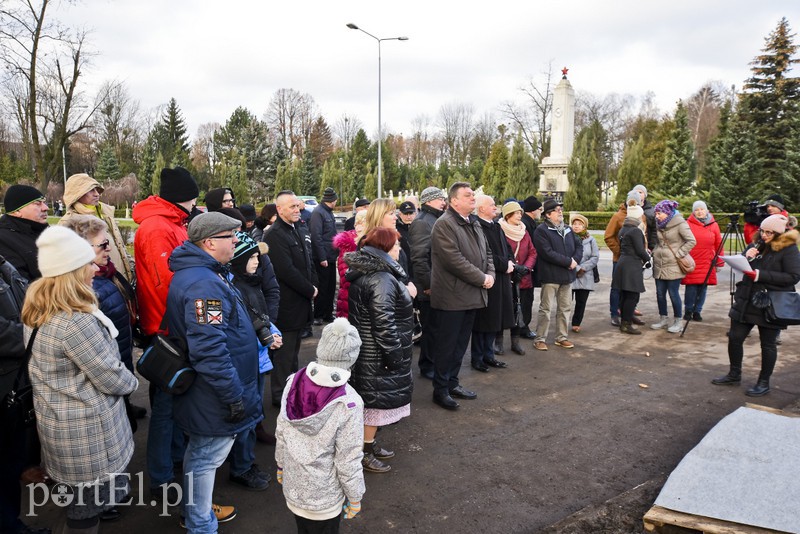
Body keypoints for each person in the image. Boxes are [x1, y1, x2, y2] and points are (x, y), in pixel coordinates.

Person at [22, 226, 137, 534]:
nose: (95, 267)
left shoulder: (38, 310)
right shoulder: (76, 321)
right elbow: (111, 377)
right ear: (70, 272)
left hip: (60, 426)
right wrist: (132, 383)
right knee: (85, 514)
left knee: (80, 504)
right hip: (87, 437)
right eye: (87, 263)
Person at [166, 212, 263, 532]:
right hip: (214, 392)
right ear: (209, 242)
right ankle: (200, 523)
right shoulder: (203, 284)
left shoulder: (207, 274)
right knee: (206, 458)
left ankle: (198, 512)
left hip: (214, 389)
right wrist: (233, 395)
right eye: (230, 236)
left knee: (201, 456)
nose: (237, 241)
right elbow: (209, 350)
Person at [132, 166, 198, 502]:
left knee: (173, 404)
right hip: (167, 327)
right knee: (165, 407)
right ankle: (160, 477)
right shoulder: (158, 227)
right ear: (183, 197)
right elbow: (167, 282)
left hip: (172, 323)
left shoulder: (172, 222)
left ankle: (172, 461)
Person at [275, 318, 365, 531]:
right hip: (325, 497)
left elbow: (282, 431)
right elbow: (348, 457)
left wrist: (280, 465)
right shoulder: (349, 402)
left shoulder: (294, 382)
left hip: (294, 487)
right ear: (352, 357)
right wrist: (355, 496)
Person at [345, 227, 414, 472]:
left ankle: (370, 445)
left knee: (372, 403)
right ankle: (363, 452)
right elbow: (384, 323)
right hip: (377, 354)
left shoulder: (372, 272)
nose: (399, 249)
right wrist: (395, 355)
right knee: (374, 406)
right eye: (396, 245)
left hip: (371, 351)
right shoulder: (381, 278)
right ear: (385, 249)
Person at [60, 215, 141, 414]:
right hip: (106, 386)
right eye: (103, 244)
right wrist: (127, 382)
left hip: (121, 358)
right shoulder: (87, 291)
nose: (109, 248)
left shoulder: (107, 273)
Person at [712, 214, 800, 396]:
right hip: (746, 299)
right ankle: (734, 374)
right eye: (763, 231)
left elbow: (793, 277)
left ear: (779, 233)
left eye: (769, 232)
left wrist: (761, 275)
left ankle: (763, 382)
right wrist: (746, 256)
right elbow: (743, 266)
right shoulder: (756, 244)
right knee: (735, 338)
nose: (765, 235)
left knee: (767, 344)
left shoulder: (789, 249)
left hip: (770, 303)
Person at [429, 182, 493, 410]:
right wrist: (482, 278)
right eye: (468, 196)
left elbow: (487, 252)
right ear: (454, 201)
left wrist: (490, 274)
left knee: (460, 345)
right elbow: (454, 260)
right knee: (447, 345)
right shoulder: (444, 224)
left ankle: (453, 382)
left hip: (471, 295)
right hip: (452, 296)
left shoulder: (472, 222)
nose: (473, 199)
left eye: (473, 195)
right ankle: (441, 389)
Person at [264, 191, 318, 407]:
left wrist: (315, 285)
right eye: (292, 207)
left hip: (301, 302)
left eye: (298, 206)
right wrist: (309, 289)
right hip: (287, 305)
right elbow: (285, 270)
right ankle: (280, 395)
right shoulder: (275, 235)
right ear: (279, 209)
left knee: (294, 353)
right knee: (284, 356)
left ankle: (292, 389)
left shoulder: (297, 228)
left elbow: (307, 261)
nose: (297, 210)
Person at [59, 173, 134, 284]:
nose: (96, 194)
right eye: (91, 190)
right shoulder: (69, 223)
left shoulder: (105, 213)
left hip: (120, 281)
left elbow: (119, 245)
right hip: (99, 285)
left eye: (97, 190)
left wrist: (131, 266)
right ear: (77, 194)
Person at [532, 199, 582, 351]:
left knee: (565, 308)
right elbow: (546, 253)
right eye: (556, 209)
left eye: (560, 209)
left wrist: (575, 260)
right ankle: (540, 339)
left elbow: (579, 246)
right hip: (550, 276)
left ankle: (561, 337)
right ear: (548, 214)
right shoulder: (541, 231)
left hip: (567, 276)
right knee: (545, 309)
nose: (560, 211)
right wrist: (568, 262)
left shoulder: (568, 229)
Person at [408, 187, 447, 380]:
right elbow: (419, 259)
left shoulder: (436, 218)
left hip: (438, 283)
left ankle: (434, 362)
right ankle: (427, 365)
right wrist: (429, 285)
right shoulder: (422, 222)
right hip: (429, 287)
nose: (443, 201)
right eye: (440, 198)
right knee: (431, 328)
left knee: (438, 328)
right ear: (429, 201)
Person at [471, 196, 514, 368]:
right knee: (483, 322)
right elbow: (482, 255)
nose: (496, 207)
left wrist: (510, 261)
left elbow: (507, 248)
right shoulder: (477, 227)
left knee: (495, 320)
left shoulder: (496, 226)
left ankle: (489, 355)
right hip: (487, 279)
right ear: (481, 209)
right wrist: (505, 264)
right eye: (492, 205)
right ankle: (477, 358)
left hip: (502, 278)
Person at [650, 200, 696, 333]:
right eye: (656, 213)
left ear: (667, 212)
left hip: (674, 264)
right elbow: (658, 241)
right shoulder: (659, 224)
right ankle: (663, 319)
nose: (657, 216)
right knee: (659, 294)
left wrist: (679, 253)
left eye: (659, 213)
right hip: (659, 263)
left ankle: (678, 321)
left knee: (673, 293)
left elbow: (692, 240)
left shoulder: (680, 223)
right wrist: (655, 251)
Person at [604, 191, 646, 327]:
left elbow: (644, 235)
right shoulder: (618, 216)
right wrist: (620, 251)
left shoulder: (641, 215)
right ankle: (615, 314)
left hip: (636, 261)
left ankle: (629, 314)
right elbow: (608, 236)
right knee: (617, 289)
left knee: (632, 290)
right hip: (621, 259)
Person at [499, 200, 536, 354]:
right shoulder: (499, 230)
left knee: (518, 310)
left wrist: (526, 268)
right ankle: (498, 342)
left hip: (523, 277)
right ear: (507, 215)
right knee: (502, 310)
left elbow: (532, 252)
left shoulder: (524, 231)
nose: (519, 215)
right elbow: (499, 252)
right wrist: (512, 266)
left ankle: (516, 342)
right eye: (516, 213)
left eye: (520, 212)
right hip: (506, 277)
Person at [611, 203, 651, 335]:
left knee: (624, 295)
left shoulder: (624, 228)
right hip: (632, 265)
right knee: (632, 296)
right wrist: (648, 259)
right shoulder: (635, 230)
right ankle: (626, 324)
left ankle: (625, 320)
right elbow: (640, 250)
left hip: (623, 263)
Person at [682, 201, 723, 321]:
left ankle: (697, 311)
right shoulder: (687, 224)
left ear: (706, 210)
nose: (700, 212)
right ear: (693, 212)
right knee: (691, 287)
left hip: (707, 260)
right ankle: (688, 310)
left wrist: (719, 261)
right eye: (697, 210)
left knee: (703, 287)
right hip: (692, 260)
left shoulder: (713, 224)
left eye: (702, 209)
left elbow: (718, 243)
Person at [0, 185, 49, 280]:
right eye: (37, 203)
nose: (46, 208)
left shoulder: (43, 230)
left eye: (44, 203)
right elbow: (21, 285)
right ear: (17, 211)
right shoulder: (3, 240)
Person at [309, 188, 339, 325]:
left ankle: (328, 314)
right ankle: (319, 315)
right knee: (322, 287)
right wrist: (322, 257)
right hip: (323, 258)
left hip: (331, 256)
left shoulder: (328, 212)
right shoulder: (318, 213)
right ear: (332, 200)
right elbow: (316, 237)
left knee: (331, 286)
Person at [332, 210, 367, 318]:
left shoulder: (365, 241)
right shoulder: (348, 244)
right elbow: (345, 276)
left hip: (355, 300)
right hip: (349, 299)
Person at [569, 213, 599, 334]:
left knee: (581, 302)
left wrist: (583, 268)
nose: (576, 226)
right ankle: (563, 321)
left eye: (579, 224)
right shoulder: (568, 238)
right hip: (571, 273)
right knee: (566, 302)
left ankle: (576, 323)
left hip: (586, 275)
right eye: (574, 224)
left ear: (584, 226)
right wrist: (576, 268)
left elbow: (595, 257)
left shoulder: (591, 240)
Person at [519, 196, 542, 339]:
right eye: (540, 209)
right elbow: (527, 249)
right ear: (533, 210)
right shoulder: (525, 224)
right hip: (526, 269)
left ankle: (521, 326)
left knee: (525, 299)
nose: (541, 211)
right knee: (525, 300)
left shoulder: (530, 223)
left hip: (528, 268)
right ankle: (523, 327)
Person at [632, 184, 658, 253]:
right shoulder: (628, 209)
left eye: (640, 192)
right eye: (636, 192)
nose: (638, 194)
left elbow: (654, 230)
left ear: (645, 195)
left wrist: (651, 247)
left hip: (646, 247)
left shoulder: (651, 211)